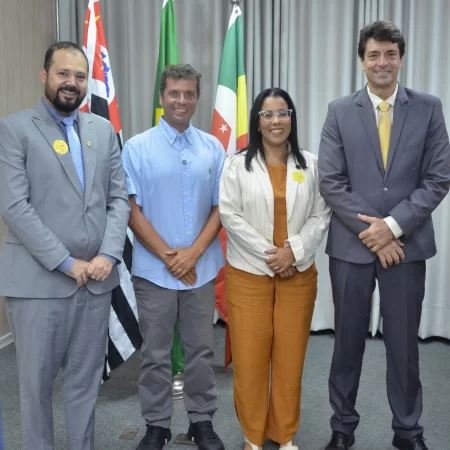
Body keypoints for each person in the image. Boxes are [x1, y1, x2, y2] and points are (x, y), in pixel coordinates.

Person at [318, 21, 450, 450]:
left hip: (406, 248)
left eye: (390, 54)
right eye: (373, 55)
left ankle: (408, 431)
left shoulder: (429, 108)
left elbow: (438, 178)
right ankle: (342, 428)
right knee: (346, 344)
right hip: (351, 248)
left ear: (401, 59)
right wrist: (376, 232)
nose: (382, 62)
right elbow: (331, 182)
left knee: (404, 346)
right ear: (362, 61)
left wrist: (391, 228)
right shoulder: (339, 111)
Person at [0, 41, 130, 450]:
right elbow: (14, 207)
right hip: (39, 284)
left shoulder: (102, 130)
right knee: (36, 389)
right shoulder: (14, 129)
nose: (71, 83)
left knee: (85, 385)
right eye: (63, 74)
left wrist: (108, 255)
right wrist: (65, 262)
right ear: (44, 75)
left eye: (79, 76)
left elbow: (119, 199)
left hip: (96, 282)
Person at [219, 88, 331, 450]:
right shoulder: (237, 164)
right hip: (249, 274)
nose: (276, 121)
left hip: (298, 276)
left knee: (290, 360)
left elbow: (321, 214)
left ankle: (284, 436)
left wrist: (293, 252)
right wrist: (274, 255)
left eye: (282, 113)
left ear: (292, 118)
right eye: (267, 115)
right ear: (257, 122)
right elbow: (229, 215)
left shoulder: (311, 164)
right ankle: (253, 438)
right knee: (250, 362)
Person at [122, 64, 226, 450]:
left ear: (197, 98)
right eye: (174, 93)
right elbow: (132, 211)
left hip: (201, 269)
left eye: (189, 94)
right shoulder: (137, 147)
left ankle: (201, 421)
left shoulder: (213, 148)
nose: (181, 100)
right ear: (162, 96)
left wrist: (193, 255)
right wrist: (171, 258)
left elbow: (220, 207)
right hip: (155, 271)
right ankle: (157, 425)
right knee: (155, 353)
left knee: (201, 350)